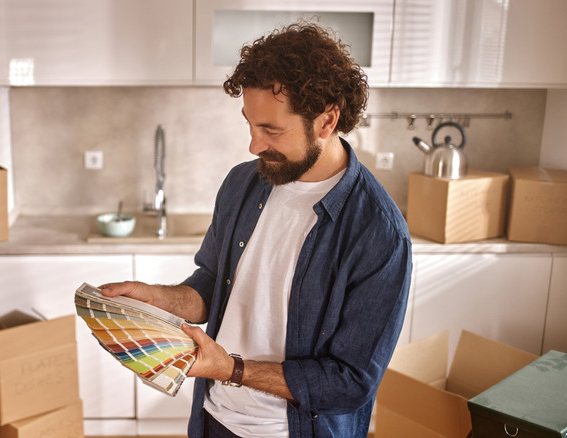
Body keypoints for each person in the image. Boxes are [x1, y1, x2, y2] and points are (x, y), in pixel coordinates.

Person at [100, 21, 412, 438]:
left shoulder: (378, 234)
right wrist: (155, 299)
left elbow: (350, 382)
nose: (253, 145)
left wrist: (231, 369)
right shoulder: (243, 184)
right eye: (250, 124)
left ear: (327, 120)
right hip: (213, 418)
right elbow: (214, 284)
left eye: (272, 130)